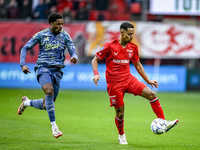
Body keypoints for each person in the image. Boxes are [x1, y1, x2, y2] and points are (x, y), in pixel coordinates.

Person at [91, 22, 179, 145]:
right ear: (122, 33)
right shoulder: (109, 46)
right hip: (114, 84)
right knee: (120, 113)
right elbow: (95, 60)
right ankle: (121, 135)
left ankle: (163, 122)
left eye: (133, 34)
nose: (132, 37)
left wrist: (148, 80)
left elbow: (137, 65)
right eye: (129, 34)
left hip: (129, 79)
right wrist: (96, 73)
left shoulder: (133, 48)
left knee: (151, 94)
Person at [18, 12, 78, 138]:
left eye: (62, 24)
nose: (60, 27)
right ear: (51, 23)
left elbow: (72, 49)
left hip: (57, 71)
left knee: (47, 105)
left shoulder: (65, 35)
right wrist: (22, 64)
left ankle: (26, 103)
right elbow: (25, 48)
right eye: (58, 24)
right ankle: (54, 127)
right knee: (48, 90)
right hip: (43, 68)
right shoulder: (41, 35)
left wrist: (74, 56)